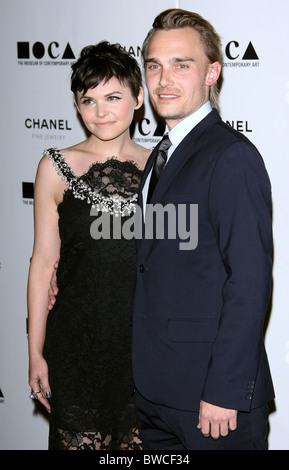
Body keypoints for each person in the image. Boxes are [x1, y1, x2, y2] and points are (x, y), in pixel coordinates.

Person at [131, 8, 275, 450]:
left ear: (212, 72)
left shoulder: (231, 157)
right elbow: (156, 263)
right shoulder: (160, 155)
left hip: (212, 401)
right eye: (154, 65)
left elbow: (249, 283)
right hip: (156, 393)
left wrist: (224, 391)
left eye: (182, 64)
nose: (164, 79)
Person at [27, 41, 150, 450]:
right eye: (88, 100)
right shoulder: (54, 166)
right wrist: (36, 352)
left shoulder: (163, 169)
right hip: (75, 348)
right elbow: (43, 263)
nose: (100, 112)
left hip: (143, 350)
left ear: (138, 99)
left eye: (113, 97)